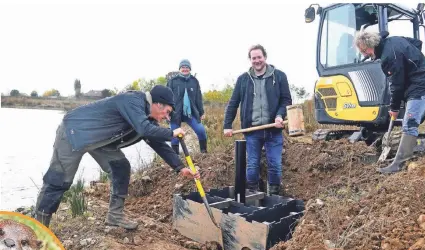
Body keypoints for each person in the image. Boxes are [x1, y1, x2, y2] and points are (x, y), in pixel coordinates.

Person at [34, 85, 200, 229]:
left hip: (100, 141)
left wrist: (180, 168)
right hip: (74, 132)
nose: (167, 116)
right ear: (157, 103)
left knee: (121, 167)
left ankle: (115, 216)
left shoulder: (145, 117)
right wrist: (171, 133)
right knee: (59, 180)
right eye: (167, 111)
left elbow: (158, 143)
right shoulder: (132, 101)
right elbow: (144, 130)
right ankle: (39, 227)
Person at [354, 30, 425, 173]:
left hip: (422, 86)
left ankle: (398, 165)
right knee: (409, 122)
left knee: (410, 124)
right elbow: (417, 43)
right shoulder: (394, 40)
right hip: (419, 83)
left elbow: (396, 86)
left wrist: (393, 108)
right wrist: (411, 64)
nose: (365, 56)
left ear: (368, 47)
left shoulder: (388, 57)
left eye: (364, 52)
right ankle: (400, 162)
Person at [223, 44, 292, 195]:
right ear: (250, 60)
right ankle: (253, 195)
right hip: (252, 131)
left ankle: (273, 196)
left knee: (275, 165)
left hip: (274, 130)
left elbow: (286, 100)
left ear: (265, 57)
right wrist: (227, 125)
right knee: (252, 166)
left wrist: (280, 115)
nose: (257, 61)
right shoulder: (243, 80)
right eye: (254, 58)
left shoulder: (279, 76)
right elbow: (233, 103)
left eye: (259, 57)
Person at [167, 59, 207, 154]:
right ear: (180, 69)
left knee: (201, 130)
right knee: (174, 136)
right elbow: (166, 98)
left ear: (190, 69)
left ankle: (204, 152)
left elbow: (198, 98)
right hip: (175, 113)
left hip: (191, 112)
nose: (185, 69)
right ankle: (175, 157)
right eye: (183, 67)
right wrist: (167, 113)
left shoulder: (194, 81)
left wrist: (201, 112)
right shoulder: (172, 81)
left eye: (187, 67)